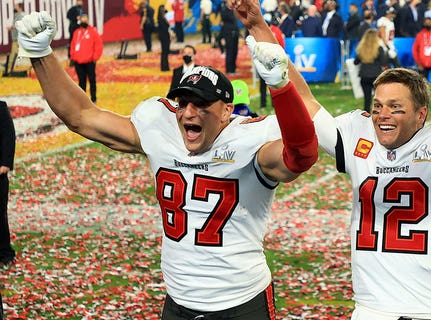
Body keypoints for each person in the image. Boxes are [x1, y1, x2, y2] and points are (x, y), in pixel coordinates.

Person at [235, 0, 431, 318]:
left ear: (421, 115)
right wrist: (258, 27)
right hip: (372, 310)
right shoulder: (359, 136)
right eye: (377, 106)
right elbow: (307, 101)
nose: (382, 115)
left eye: (395, 107)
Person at [16, 10, 318, 319]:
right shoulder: (161, 129)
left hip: (240, 301)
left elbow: (302, 155)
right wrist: (41, 55)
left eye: (201, 104)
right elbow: (81, 117)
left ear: (227, 111)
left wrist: (281, 88)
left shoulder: (249, 141)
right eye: (183, 102)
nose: (189, 112)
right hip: (178, 301)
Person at [354, 28, 391, 113]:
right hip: (376, 77)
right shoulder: (379, 49)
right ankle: (380, 114)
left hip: (364, 77)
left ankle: (366, 117)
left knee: (367, 100)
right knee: (379, 99)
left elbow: (356, 62)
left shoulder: (361, 49)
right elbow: (383, 62)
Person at [70, 13, 103, 103]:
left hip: (90, 61)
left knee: (92, 80)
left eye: (85, 18)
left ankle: (93, 99)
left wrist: (95, 57)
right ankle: (83, 101)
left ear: (88, 20)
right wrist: (73, 57)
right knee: (81, 82)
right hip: (79, 62)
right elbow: (73, 45)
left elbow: (99, 45)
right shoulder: (77, 32)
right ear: (80, 20)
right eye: (82, 19)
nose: (84, 20)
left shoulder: (93, 32)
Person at [0, 100, 16, 267]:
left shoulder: (1, 108)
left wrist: (5, 163)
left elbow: (9, 136)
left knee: (0, 214)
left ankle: (5, 252)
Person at [4, 1, 25, 76]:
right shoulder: (17, 15)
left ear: (20, 7)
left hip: (18, 40)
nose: (14, 8)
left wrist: (11, 27)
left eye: (16, 6)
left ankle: (9, 71)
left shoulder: (22, 15)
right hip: (16, 39)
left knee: (14, 56)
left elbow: (20, 24)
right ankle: (9, 70)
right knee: (14, 55)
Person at [220, 3, 240, 74]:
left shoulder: (234, 9)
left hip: (235, 33)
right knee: (230, 51)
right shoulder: (224, 9)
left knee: (235, 51)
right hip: (228, 33)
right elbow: (226, 20)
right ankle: (229, 69)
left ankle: (233, 69)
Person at [157, 5, 173, 72]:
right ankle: (164, 67)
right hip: (164, 37)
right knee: (164, 52)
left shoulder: (163, 18)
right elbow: (164, 28)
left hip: (165, 36)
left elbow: (167, 11)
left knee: (165, 52)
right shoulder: (161, 19)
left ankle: (165, 66)